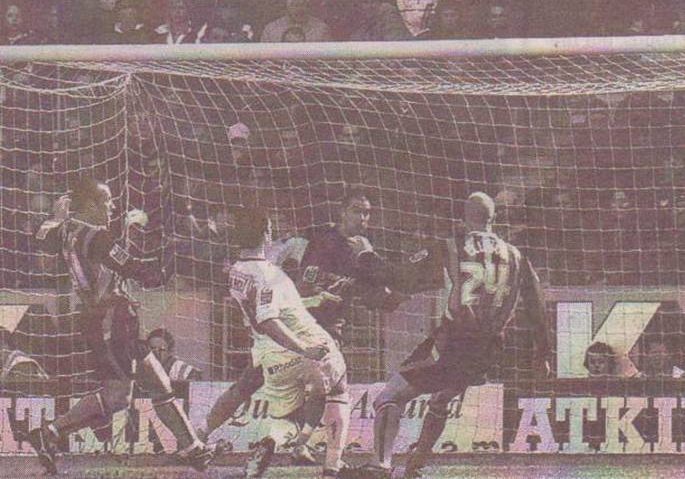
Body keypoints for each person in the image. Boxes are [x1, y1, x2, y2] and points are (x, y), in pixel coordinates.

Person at [198, 193, 434, 475]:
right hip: (311, 326)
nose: (363, 218)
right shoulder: (324, 242)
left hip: (301, 330)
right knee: (331, 390)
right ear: (341, 212)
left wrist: (392, 298)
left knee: (269, 386)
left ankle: (206, 436)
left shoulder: (363, 250)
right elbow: (304, 282)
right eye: (357, 210)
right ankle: (327, 462)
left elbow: (370, 295)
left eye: (367, 212)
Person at [343, 192, 550, 479]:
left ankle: (380, 466)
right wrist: (543, 354)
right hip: (490, 349)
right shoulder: (517, 256)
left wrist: (366, 255)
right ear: (494, 218)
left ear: (464, 217)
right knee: (440, 399)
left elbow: (402, 277)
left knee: (387, 398)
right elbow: (537, 308)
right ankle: (416, 466)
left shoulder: (452, 245)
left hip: (453, 343)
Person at [25, 178, 213, 474]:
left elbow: (40, 236)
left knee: (160, 384)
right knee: (118, 397)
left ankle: (192, 447)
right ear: (90, 205)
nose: (112, 207)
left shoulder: (67, 231)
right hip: (110, 322)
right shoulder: (96, 236)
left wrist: (57, 217)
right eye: (107, 201)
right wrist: (168, 253)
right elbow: (137, 270)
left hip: (111, 319)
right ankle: (50, 432)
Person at [227, 206, 346, 479]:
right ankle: (331, 465)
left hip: (269, 351)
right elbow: (271, 314)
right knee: (335, 389)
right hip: (299, 338)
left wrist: (314, 298)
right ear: (266, 232)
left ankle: (278, 440)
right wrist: (305, 346)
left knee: (290, 408)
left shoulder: (237, 269)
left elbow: (273, 306)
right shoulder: (272, 267)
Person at [260, 0, 331, 43]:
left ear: (309, 7)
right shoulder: (271, 30)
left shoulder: (321, 30)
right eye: (295, 5)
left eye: (303, 5)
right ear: (288, 7)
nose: (299, 9)